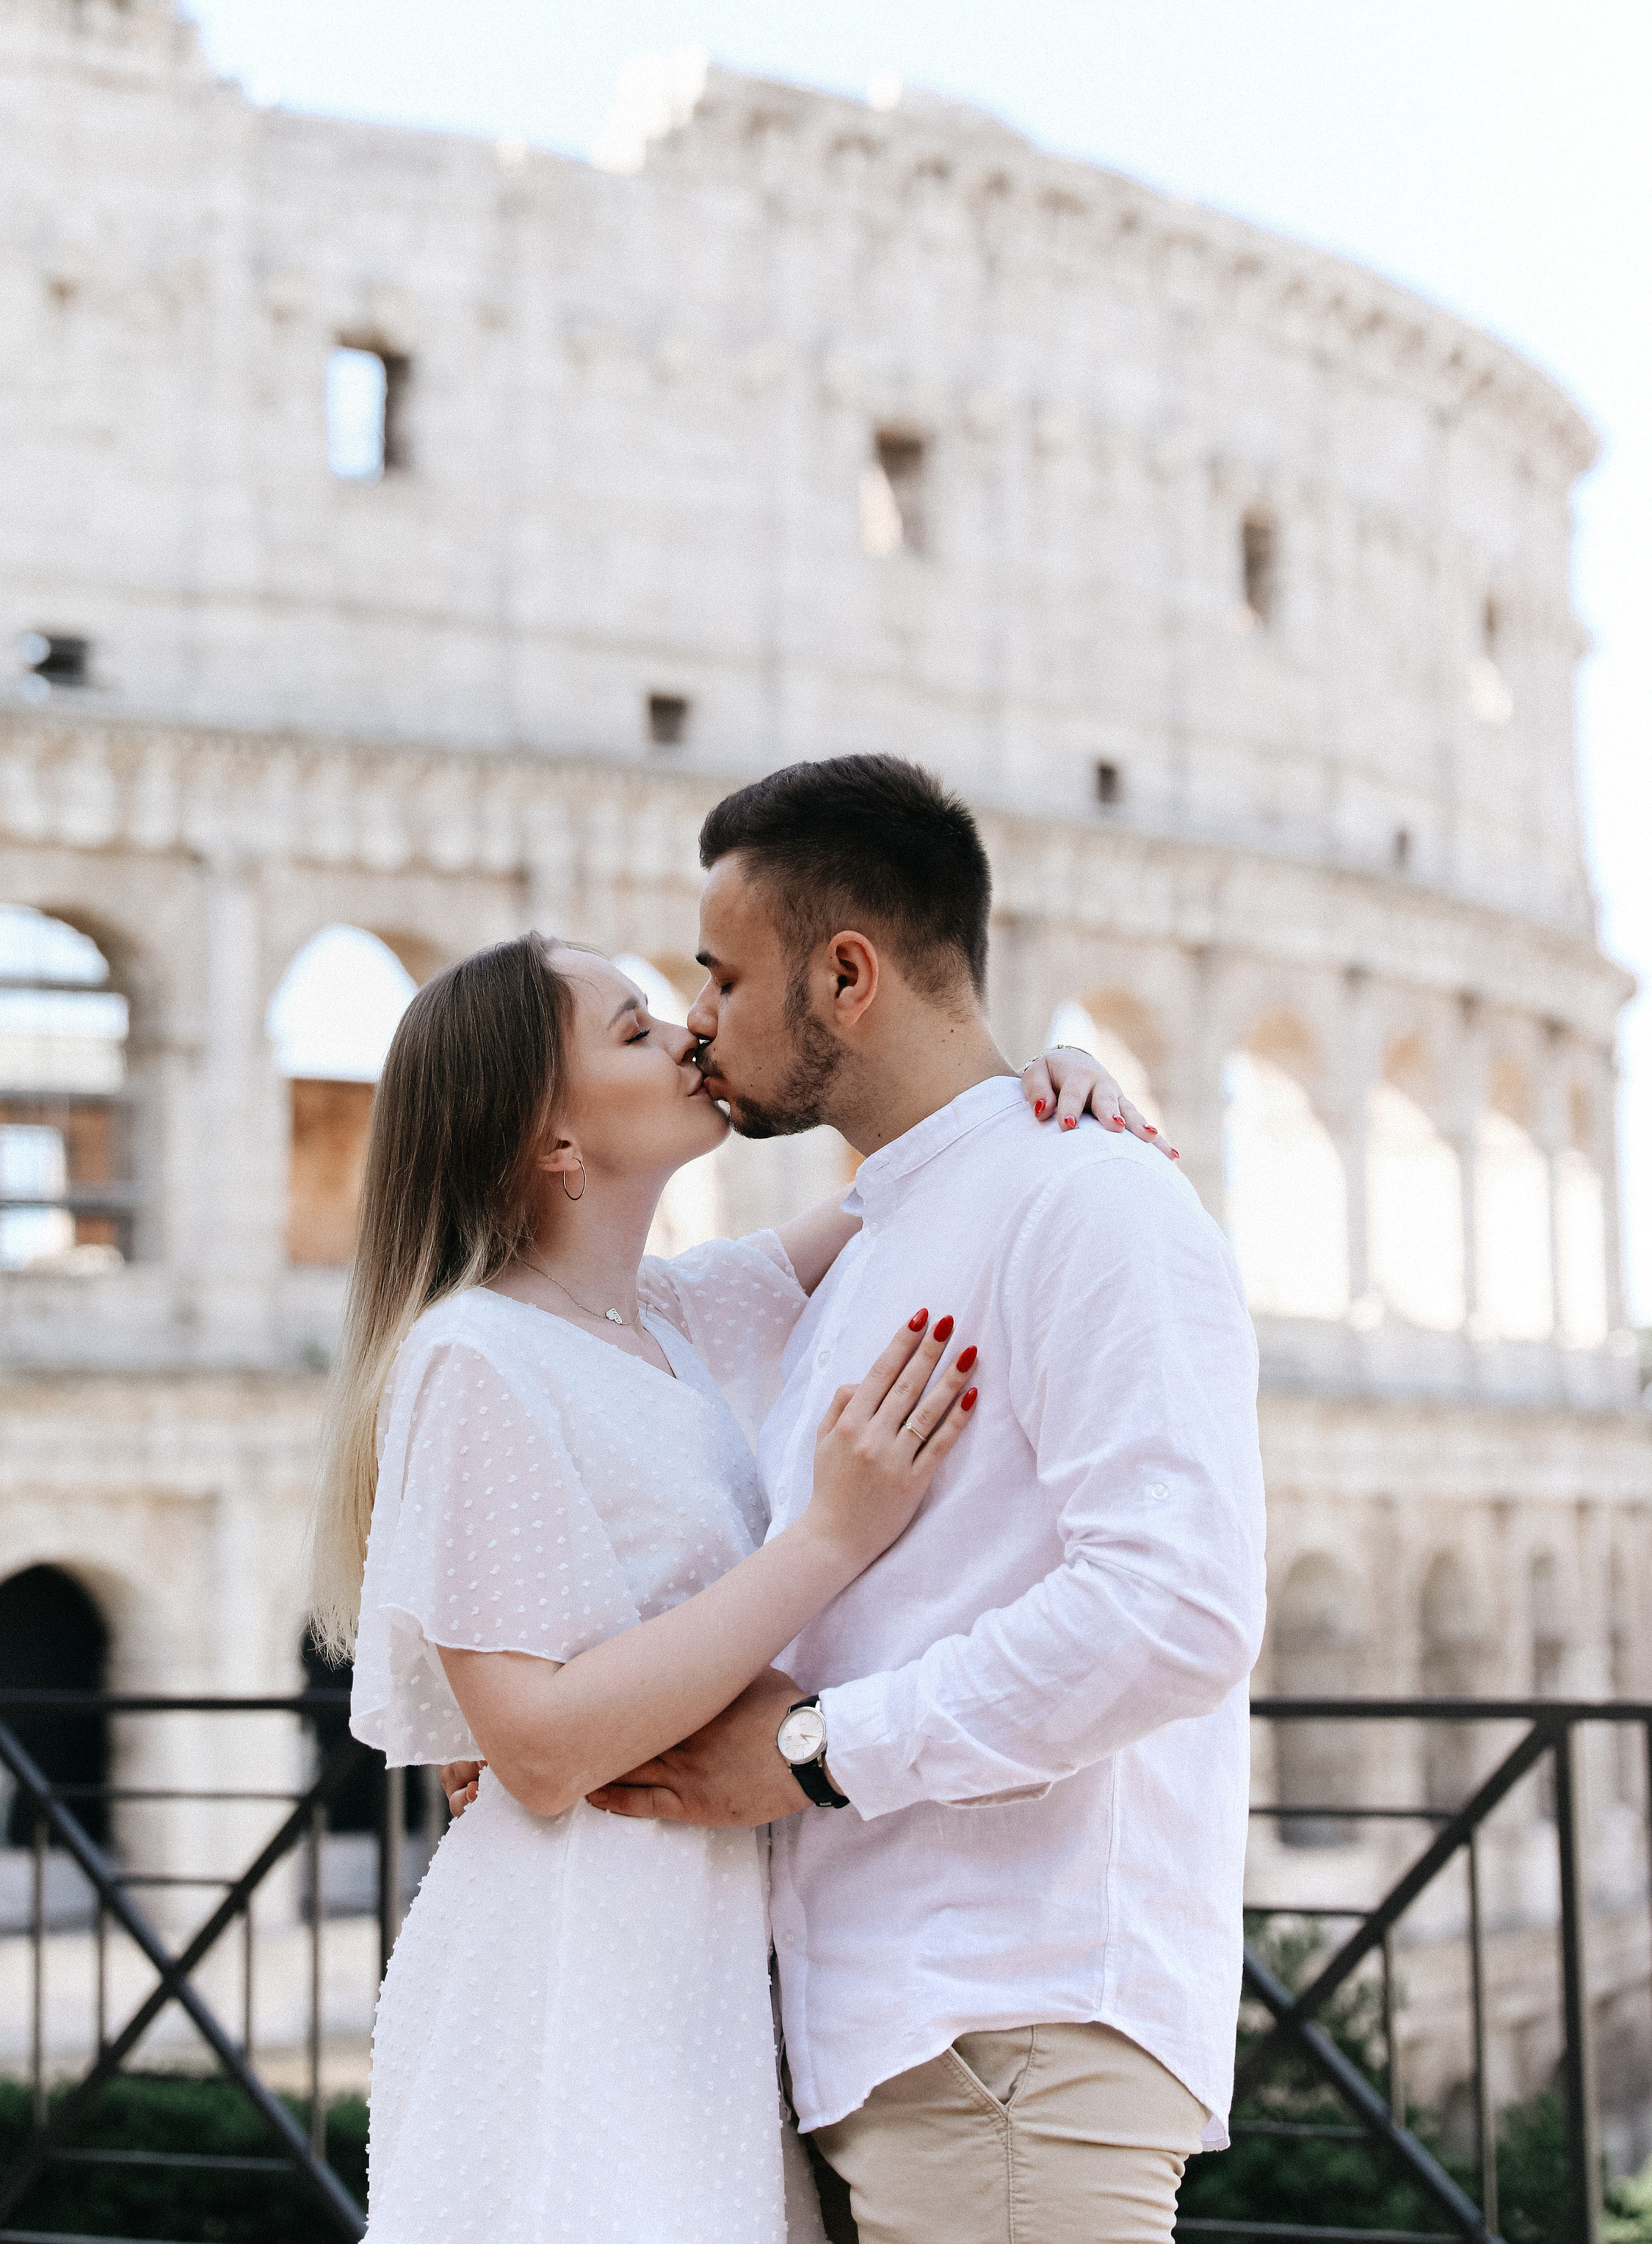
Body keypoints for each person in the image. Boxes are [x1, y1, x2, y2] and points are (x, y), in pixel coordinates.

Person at [307, 917, 1156, 2244]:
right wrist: (829, 1538)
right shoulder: (472, 1356)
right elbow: (534, 1748)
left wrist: (1041, 1089)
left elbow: (918, 1184)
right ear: (553, 1140)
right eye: (634, 1030)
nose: (689, 1033)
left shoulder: (673, 1315)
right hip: (574, 1958)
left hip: (702, 1952)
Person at [584, 753, 1268, 2244]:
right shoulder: (887, 1231)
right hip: (896, 2040)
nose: (697, 1018)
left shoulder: (1090, 1196)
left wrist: (818, 1753)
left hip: (1007, 2034)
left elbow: (1175, 1609)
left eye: (721, 976)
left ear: (845, 976)